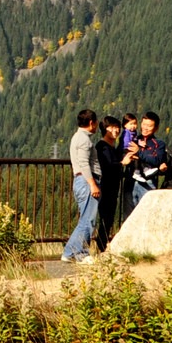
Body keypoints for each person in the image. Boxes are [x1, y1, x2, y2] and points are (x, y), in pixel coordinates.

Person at [63, 109, 103, 264]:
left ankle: (70, 252)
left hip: (82, 181)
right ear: (91, 123)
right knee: (88, 219)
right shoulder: (84, 140)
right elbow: (84, 164)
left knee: (85, 218)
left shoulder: (79, 137)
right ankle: (79, 253)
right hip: (87, 181)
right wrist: (93, 184)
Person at [121, 111, 168, 214]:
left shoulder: (159, 144)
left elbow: (157, 160)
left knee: (147, 214)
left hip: (148, 182)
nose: (145, 128)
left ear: (156, 128)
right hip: (130, 180)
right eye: (144, 124)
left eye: (149, 126)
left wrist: (139, 152)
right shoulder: (133, 139)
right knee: (129, 216)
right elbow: (122, 151)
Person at [94, 115, 126, 250]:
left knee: (108, 219)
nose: (116, 130)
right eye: (112, 127)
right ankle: (101, 247)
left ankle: (102, 247)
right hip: (105, 187)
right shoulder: (102, 147)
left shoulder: (112, 147)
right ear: (105, 129)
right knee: (105, 219)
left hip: (112, 187)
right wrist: (122, 163)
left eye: (117, 127)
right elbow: (106, 167)